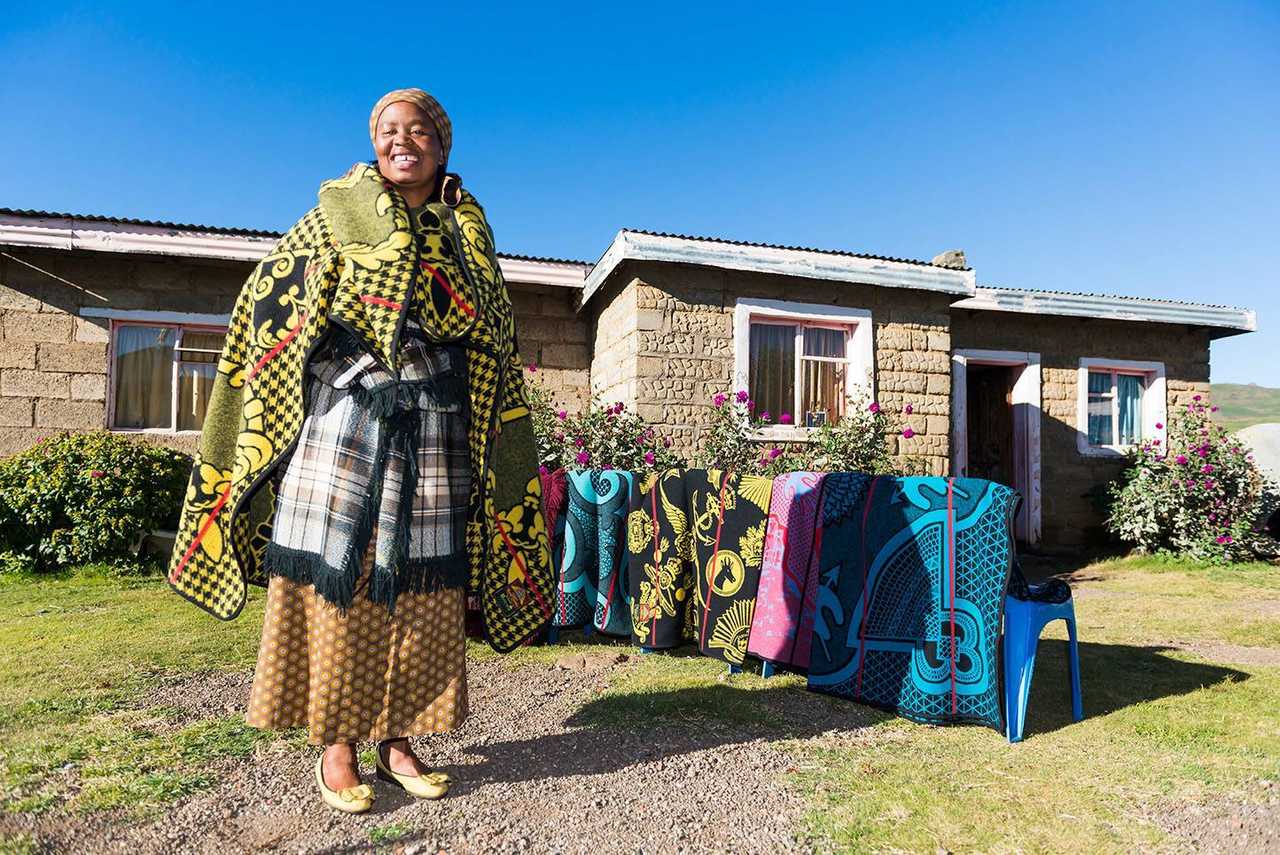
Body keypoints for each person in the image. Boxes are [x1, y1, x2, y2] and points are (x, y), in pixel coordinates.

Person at [167, 88, 554, 814]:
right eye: (386, 131)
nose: (399, 141)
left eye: (416, 131)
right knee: (340, 577)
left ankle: (399, 737)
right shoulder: (332, 216)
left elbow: (488, 328)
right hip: (346, 418)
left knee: (421, 586)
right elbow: (272, 299)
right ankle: (337, 744)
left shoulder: (468, 230)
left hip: (434, 428)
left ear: (442, 148)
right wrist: (352, 370)